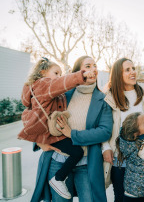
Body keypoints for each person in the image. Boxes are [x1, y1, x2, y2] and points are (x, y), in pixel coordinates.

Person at [31, 56, 113, 202]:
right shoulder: (63, 93)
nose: (93, 69)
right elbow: (39, 114)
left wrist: (72, 134)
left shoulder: (103, 100)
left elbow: (104, 131)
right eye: (87, 66)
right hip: (58, 162)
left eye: (95, 66)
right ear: (77, 72)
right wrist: (39, 141)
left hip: (86, 163)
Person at [18, 57, 96, 199]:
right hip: (52, 135)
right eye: (56, 73)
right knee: (76, 152)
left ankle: (59, 179)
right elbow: (62, 83)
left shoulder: (39, 88)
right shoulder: (44, 84)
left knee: (75, 152)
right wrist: (81, 75)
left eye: (60, 74)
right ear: (43, 73)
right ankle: (58, 179)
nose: (59, 77)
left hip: (52, 133)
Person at [102, 58, 144, 202]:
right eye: (127, 70)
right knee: (121, 197)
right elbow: (104, 126)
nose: (133, 72)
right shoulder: (109, 97)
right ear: (118, 75)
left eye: (133, 68)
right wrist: (105, 147)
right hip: (121, 158)